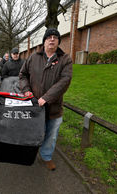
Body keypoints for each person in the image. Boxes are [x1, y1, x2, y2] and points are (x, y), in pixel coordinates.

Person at [19, 28, 72, 171]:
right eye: (49, 37)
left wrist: (46, 98)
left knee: (51, 135)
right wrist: (27, 91)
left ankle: (46, 156)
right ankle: (31, 152)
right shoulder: (33, 57)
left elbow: (65, 80)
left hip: (54, 108)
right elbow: (23, 75)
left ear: (59, 42)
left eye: (55, 37)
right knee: (34, 132)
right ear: (44, 41)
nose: (52, 39)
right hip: (34, 106)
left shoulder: (65, 59)